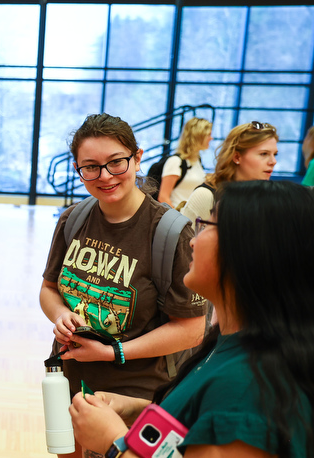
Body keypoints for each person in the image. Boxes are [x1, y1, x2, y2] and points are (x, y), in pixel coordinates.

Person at [69, 180, 314, 457]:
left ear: (252, 251)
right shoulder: (234, 343)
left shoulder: (247, 388)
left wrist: (114, 442)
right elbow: (197, 417)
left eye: (209, 225)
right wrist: (142, 410)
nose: (193, 239)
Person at [39, 113, 207, 458]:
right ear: (78, 169)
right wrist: (59, 315)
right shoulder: (74, 218)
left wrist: (112, 351)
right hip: (70, 378)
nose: (105, 176)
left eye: (116, 162)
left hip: (137, 392)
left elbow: (192, 330)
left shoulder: (170, 233)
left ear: (137, 157)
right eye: (91, 167)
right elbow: (49, 289)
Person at [180, 121, 278, 223]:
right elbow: (188, 239)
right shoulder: (206, 196)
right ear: (237, 157)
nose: (273, 161)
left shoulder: (268, 199)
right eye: (264, 154)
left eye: (275, 154)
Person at [158, 117, 211, 208]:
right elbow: (163, 197)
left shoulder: (197, 161)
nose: (211, 138)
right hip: (179, 218)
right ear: (198, 136)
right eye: (208, 135)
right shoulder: (175, 161)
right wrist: (179, 220)